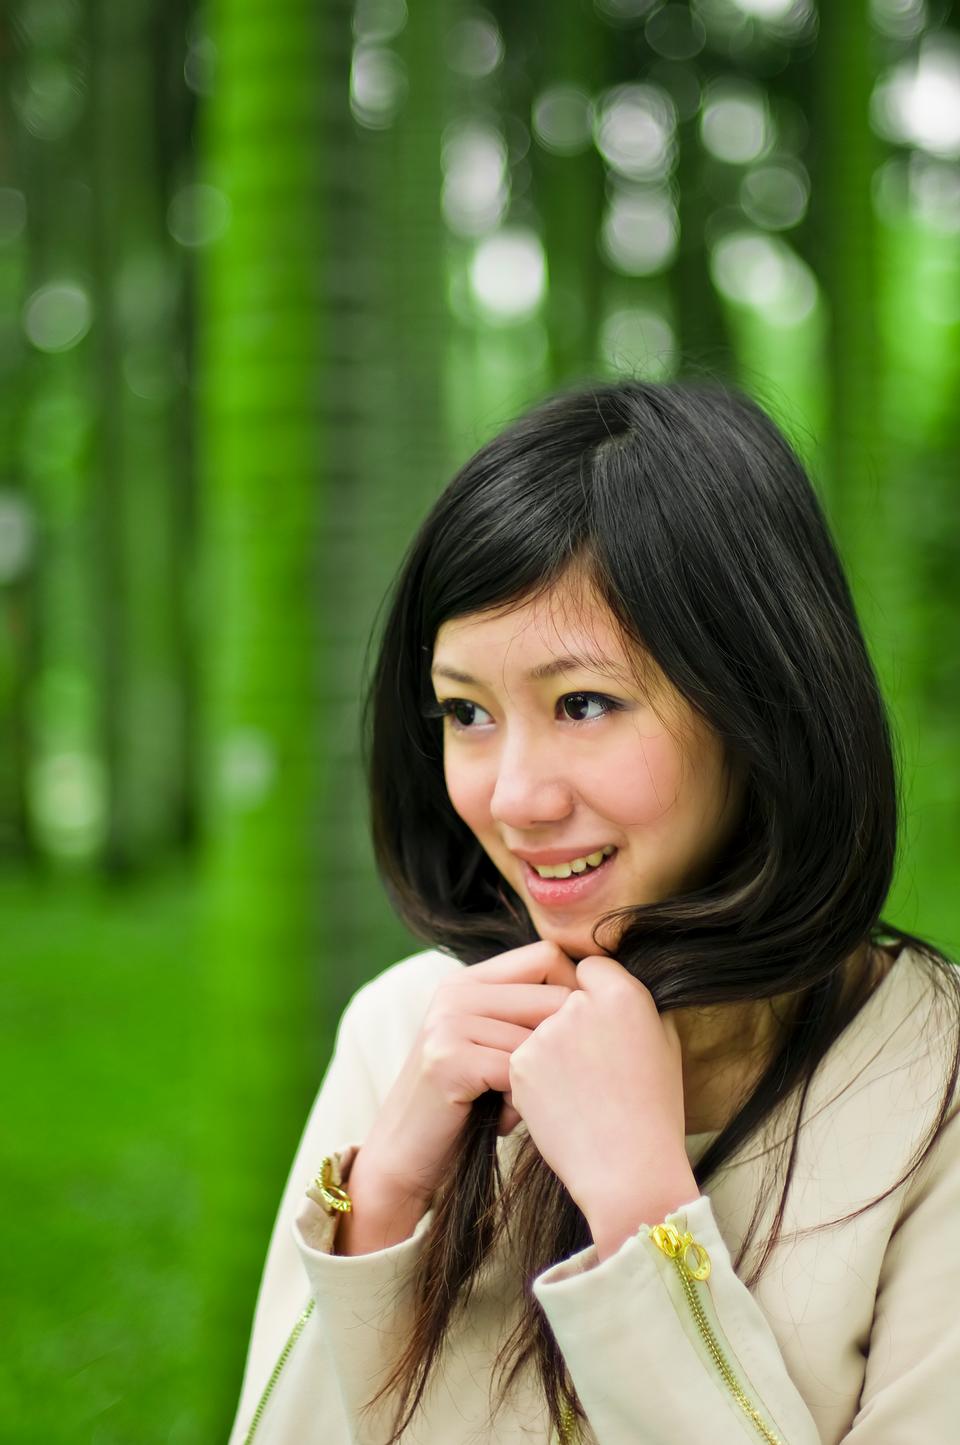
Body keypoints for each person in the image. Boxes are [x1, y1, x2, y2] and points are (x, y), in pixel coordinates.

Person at [227, 378, 960, 1445]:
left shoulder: (936, 1085)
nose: (515, 795)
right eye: (466, 712)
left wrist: (643, 1216)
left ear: (762, 701)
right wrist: (382, 1204)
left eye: (584, 703)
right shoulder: (408, 1035)